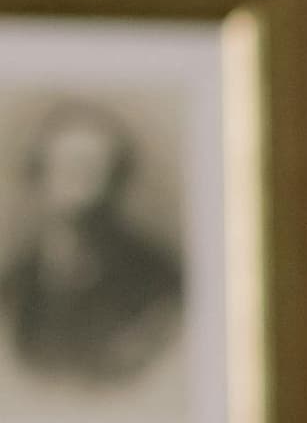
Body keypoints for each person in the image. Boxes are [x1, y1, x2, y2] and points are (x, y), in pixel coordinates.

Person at [0, 99, 184, 392]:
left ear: (117, 182)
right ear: (39, 177)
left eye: (95, 169)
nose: (82, 186)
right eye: (67, 168)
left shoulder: (159, 284)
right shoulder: (14, 285)